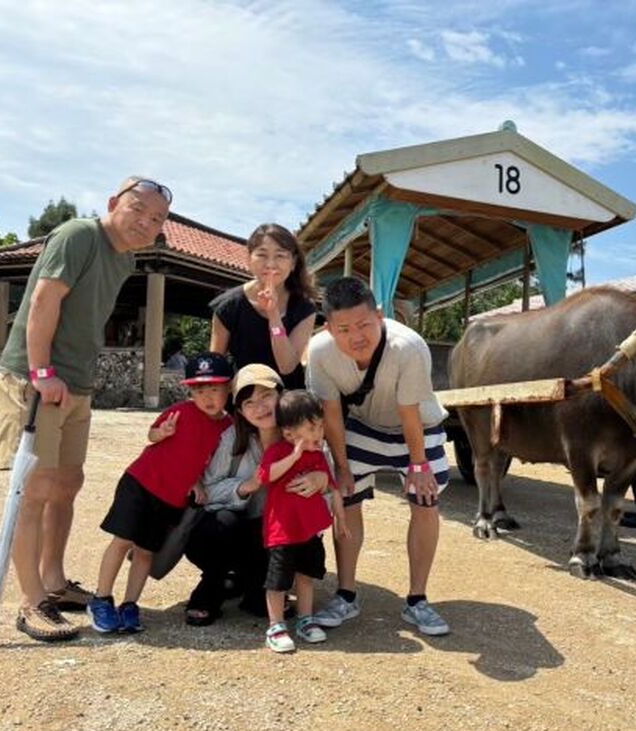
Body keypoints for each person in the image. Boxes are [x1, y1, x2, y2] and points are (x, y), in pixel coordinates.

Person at [0, 176, 171, 642]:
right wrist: (40, 371)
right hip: (38, 380)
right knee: (33, 489)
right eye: (138, 209)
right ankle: (30, 601)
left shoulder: (126, 257)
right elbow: (44, 301)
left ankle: (54, 582)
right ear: (114, 203)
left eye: (156, 219)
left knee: (67, 482)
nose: (146, 222)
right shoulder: (78, 235)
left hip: (77, 385)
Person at [307, 276, 451, 637]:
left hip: (417, 426)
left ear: (381, 316)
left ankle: (417, 599)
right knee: (347, 498)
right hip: (363, 426)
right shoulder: (321, 353)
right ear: (329, 328)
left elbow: (409, 411)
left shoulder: (409, 347)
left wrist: (418, 465)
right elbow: (332, 414)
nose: (356, 336)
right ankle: (347, 593)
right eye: (344, 329)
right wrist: (341, 468)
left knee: (425, 501)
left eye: (364, 325)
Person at [87, 353, 233, 634]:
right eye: (200, 391)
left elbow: (209, 462)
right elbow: (151, 435)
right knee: (122, 541)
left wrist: (197, 482)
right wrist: (162, 432)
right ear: (190, 392)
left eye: (215, 389)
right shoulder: (180, 411)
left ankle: (130, 604)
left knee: (145, 551)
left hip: (172, 498)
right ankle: (101, 598)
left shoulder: (227, 427)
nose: (208, 397)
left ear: (228, 389)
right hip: (141, 483)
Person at [182, 364, 330, 626]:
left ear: (281, 396)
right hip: (234, 528)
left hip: (276, 536)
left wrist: (321, 481)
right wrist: (246, 485)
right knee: (221, 524)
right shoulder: (233, 438)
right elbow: (209, 489)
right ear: (240, 410)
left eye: (266, 396)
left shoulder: (307, 433)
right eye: (249, 402)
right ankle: (211, 588)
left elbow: (326, 483)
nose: (259, 408)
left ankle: (253, 589)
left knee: (266, 584)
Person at [258, 390, 349, 653]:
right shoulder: (277, 452)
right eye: (312, 427)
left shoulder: (320, 456)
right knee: (278, 581)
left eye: (320, 426)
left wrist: (340, 520)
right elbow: (266, 476)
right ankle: (275, 626)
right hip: (282, 531)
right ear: (288, 433)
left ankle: (305, 619)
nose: (319, 433)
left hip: (311, 531)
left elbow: (332, 489)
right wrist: (293, 458)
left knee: (306, 576)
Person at [209, 223, 317, 389]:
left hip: (288, 399)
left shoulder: (304, 308)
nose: (270, 264)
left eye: (280, 256)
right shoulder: (227, 306)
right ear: (249, 259)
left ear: (293, 262)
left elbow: (286, 366)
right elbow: (215, 366)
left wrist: (273, 315)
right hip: (245, 398)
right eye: (262, 255)